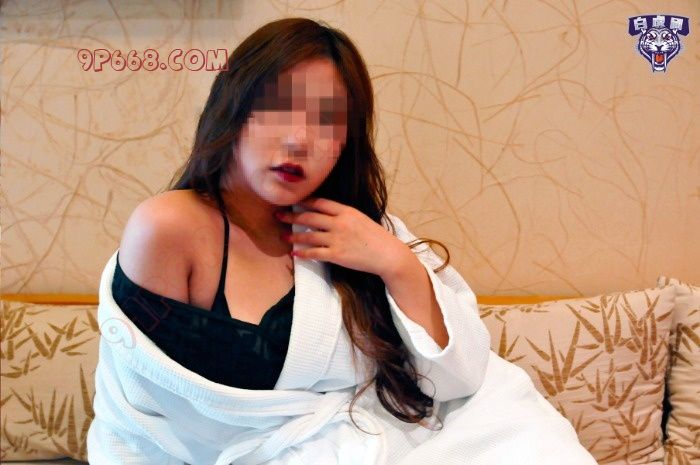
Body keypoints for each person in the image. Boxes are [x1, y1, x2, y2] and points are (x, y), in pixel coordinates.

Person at [87, 17, 598, 465]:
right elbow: (144, 415)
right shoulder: (171, 227)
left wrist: (396, 264)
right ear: (234, 108)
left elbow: (461, 379)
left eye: (329, 121)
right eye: (280, 108)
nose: (300, 140)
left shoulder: (365, 232)